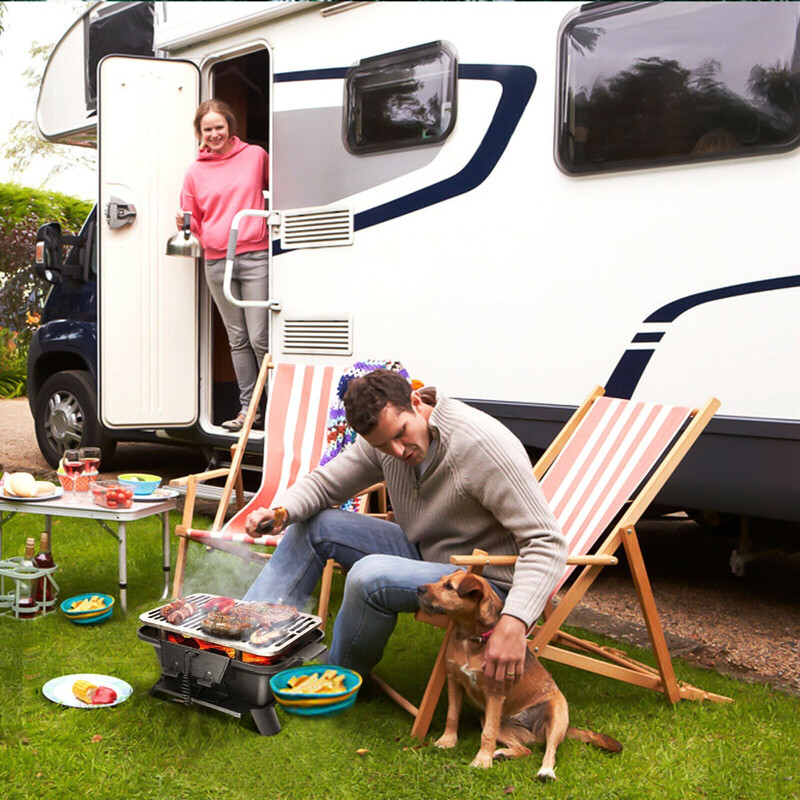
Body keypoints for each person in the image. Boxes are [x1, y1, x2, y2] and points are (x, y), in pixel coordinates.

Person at [243, 369, 567, 683]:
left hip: (482, 578)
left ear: (415, 402)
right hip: (427, 551)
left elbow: (546, 541)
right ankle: (246, 641)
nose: (398, 451)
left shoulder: (480, 446)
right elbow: (327, 484)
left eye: (401, 433)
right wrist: (281, 512)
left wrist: (514, 621)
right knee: (314, 524)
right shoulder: (384, 438)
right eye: (383, 445)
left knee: (368, 575)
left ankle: (333, 680)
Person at [177, 99, 270, 431]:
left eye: (219, 127)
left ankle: (276, 403)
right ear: (199, 133)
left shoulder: (255, 157)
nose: (214, 134)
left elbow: (283, 192)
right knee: (237, 339)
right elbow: (194, 222)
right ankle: (250, 409)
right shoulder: (195, 172)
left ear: (230, 126)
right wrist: (186, 226)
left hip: (256, 255)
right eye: (207, 129)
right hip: (216, 261)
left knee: (260, 336)